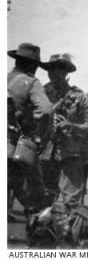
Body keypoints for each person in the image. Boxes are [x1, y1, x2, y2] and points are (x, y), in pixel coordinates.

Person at [40, 54, 88, 209]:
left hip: (70, 154)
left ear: (65, 72)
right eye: (49, 69)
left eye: (56, 69)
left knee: (70, 202)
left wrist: (71, 125)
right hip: (45, 153)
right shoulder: (42, 93)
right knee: (43, 199)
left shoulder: (79, 97)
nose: (51, 73)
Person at [7, 43, 53, 217]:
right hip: (14, 148)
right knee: (36, 199)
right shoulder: (31, 82)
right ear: (33, 66)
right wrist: (40, 137)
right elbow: (47, 110)